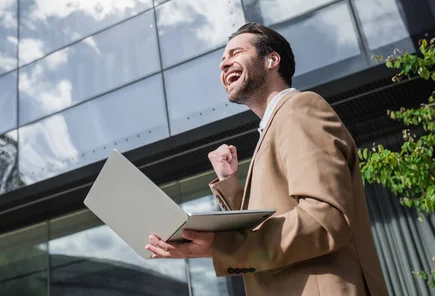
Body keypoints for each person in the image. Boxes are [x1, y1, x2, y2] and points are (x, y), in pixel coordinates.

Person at [145, 22, 388, 295]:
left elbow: (325, 220)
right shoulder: (274, 128)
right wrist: (229, 184)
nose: (224, 66)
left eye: (236, 53)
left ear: (272, 60)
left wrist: (220, 247)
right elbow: (269, 224)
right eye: (222, 60)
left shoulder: (299, 108)